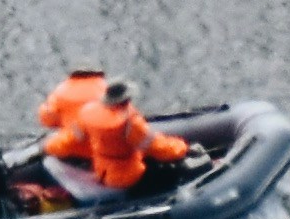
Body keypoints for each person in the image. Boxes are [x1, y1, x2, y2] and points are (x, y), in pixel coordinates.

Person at [28, 68, 192, 202]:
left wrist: (47, 147)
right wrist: (181, 148)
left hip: (103, 170)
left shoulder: (88, 114)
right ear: (126, 100)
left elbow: (69, 140)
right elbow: (156, 147)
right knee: (162, 173)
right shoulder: (130, 123)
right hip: (127, 175)